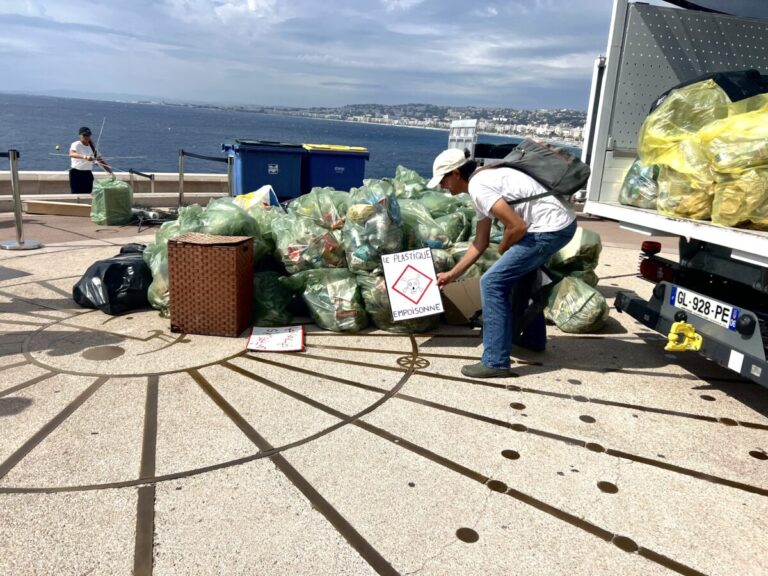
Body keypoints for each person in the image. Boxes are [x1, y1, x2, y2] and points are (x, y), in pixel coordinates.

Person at [429, 148, 577, 378]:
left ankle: (495, 361)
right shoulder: (481, 182)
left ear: (456, 173)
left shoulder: (479, 186)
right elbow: (480, 242)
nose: (442, 186)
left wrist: (503, 248)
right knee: (520, 277)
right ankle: (532, 339)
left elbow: (517, 227)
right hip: (558, 224)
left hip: (549, 229)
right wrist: (451, 274)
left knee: (492, 283)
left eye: (443, 180)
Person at [68, 126, 112, 193]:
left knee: (88, 194)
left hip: (87, 174)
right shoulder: (76, 144)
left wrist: (110, 172)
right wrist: (85, 157)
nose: (86, 137)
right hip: (76, 174)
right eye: (84, 135)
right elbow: (72, 154)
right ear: (80, 135)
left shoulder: (92, 148)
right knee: (76, 194)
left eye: (88, 135)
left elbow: (100, 161)